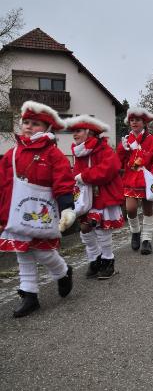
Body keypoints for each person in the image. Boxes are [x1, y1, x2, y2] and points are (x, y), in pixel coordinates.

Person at [0, 101, 76, 317]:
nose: (28, 126)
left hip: (42, 211)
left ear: (47, 128)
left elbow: (63, 181)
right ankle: (30, 294)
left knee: (43, 251)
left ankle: (62, 271)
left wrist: (67, 208)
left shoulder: (53, 154)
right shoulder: (12, 154)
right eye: (26, 122)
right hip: (16, 212)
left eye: (35, 123)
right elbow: (3, 182)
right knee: (21, 251)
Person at [67, 115, 124, 280]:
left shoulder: (104, 149)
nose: (74, 135)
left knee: (101, 229)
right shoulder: (78, 152)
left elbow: (110, 169)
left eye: (78, 131)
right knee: (84, 229)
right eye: (74, 132)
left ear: (89, 132)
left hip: (102, 194)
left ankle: (108, 260)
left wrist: (84, 176)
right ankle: (95, 258)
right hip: (85, 197)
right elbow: (75, 174)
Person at [117, 107, 153, 255]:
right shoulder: (126, 140)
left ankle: (146, 240)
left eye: (137, 120)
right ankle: (135, 232)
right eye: (132, 120)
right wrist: (122, 149)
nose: (134, 122)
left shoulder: (152, 140)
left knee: (147, 209)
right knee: (130, 209)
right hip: (131, 179)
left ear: (144, 122)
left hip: (146, 179)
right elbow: (119, 162)